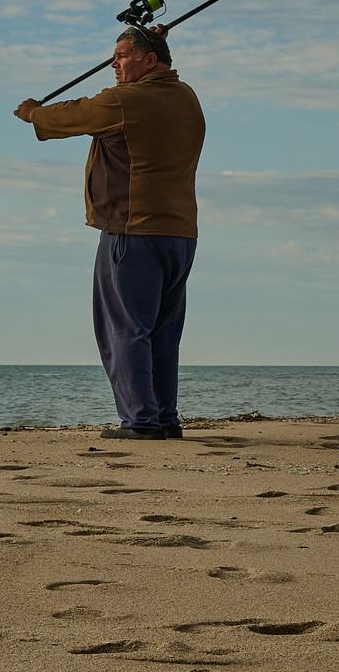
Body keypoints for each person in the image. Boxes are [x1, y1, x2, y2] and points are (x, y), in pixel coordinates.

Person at [13, 25, 206, 439]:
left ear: (149, 61)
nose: (113, 64)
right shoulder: (186, 96)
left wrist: (33, 113)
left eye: (121, 56)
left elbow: (73, 115)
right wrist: (151, 41)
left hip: (131, 232)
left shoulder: (125, 101)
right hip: (181, 235)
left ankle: (140, 422)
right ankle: (164, 419)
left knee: (124, 328)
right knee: (162, 332)